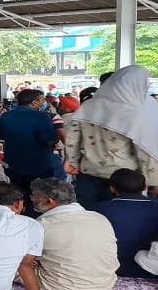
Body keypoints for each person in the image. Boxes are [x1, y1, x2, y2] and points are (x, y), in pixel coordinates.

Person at [65, 65, 158, 211]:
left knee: (88, 214)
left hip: (89, 172)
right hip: (124, 179)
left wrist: (72, 161)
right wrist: (151, 180)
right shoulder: (135, 111)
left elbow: (72, 139)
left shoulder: (88, 105)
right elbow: (144, 150)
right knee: (119, 217)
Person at [30, 178, 118, 290]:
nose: (32, 199)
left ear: (49, 201)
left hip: (61, 287)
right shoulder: (100, 218)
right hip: (104, 284)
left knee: (9, 265)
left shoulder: (42, 225)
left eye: (34, 196)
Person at [0, 90, 57, 205]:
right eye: (43, 100)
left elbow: (2, 137)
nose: (45, 103)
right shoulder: (41, 117)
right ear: (34, 102)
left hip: (13, 166)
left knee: (16, 198)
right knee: (39, 199)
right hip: (39, 166)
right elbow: (49, 140)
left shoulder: (5, 116)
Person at [95, 169, 158, 278]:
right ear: (145, 187)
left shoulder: (98, 209)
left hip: (111, 271)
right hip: (151, 272)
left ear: (112, 189)